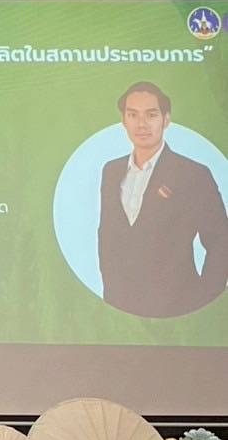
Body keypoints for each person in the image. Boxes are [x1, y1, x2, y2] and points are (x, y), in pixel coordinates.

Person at [97, 81, 228, 318]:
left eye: (151, 114)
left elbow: (221, 241)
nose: (142, 124)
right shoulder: (111, 171)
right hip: (122, 311)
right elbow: (107, 236)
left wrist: (205, 301)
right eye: (133, 115)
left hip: (179, 310)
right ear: (123, 121)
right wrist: (111, 298)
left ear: (166, 120)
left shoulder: (192, 173)